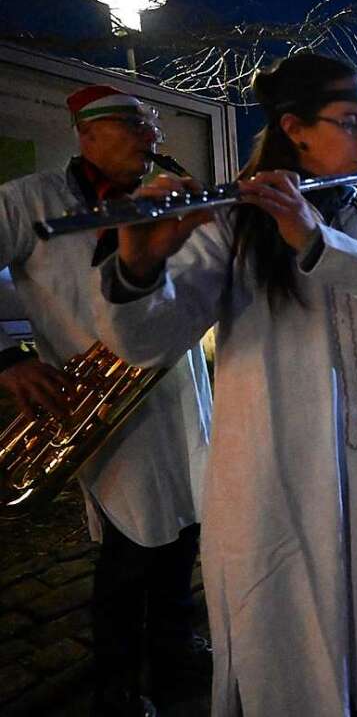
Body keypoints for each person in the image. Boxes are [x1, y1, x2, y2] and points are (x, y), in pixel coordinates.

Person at [94, 54, 357, 716]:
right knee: (288, 658)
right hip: (276, 479)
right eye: (354, 123)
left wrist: (316, 240)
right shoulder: (231, 220)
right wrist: (138, 261)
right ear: (295, 128)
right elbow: (145, 342)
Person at [0, 84, 212, 717]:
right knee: (128, 550)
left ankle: (173, 650)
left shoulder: (158, 197)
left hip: (178, 390)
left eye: (152, 127)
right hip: (100, 403)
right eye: (134, 126)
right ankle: (116, 685)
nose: (153, 139)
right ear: (87, 133)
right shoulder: (28, 200)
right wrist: (7, 361)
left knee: (185, 530)